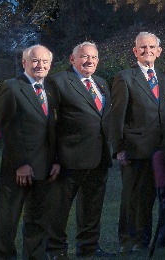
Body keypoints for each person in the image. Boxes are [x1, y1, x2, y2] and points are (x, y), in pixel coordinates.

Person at [106, 32, 165, 252]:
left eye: (151, 47)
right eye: (142, 48)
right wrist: (119, 149)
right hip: (135, 149)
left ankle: (145, 240)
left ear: (159, 51)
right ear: (135, 51)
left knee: (149, 199)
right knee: (132, 198)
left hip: (161, 149)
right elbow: (116, 116)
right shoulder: (125, 77)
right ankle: (129, 241)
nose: (147, 51)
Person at [45, 42, 115, 257]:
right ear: (72, 59)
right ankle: (55, 249)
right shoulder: (57, 81)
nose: (89, 61)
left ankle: (89, 247)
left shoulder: (101, 83)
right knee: (59, 208)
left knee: (92, 207)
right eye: (84, 57)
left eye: (94, 57)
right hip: (68, 157)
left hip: (99, 157)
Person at [0, 45, 59, 260]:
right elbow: (8, 129)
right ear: (24, 63)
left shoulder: (49, 89)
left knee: (37, 218)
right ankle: (4, 256)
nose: (40, 65)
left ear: (50, 65)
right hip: (18, 169)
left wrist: (56, 160)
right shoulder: (11, 87)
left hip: (43, 166)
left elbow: (52, 129)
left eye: (44, 61)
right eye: (35, 61)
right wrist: (21, 163)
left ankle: (35, 256)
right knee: (8, 218)